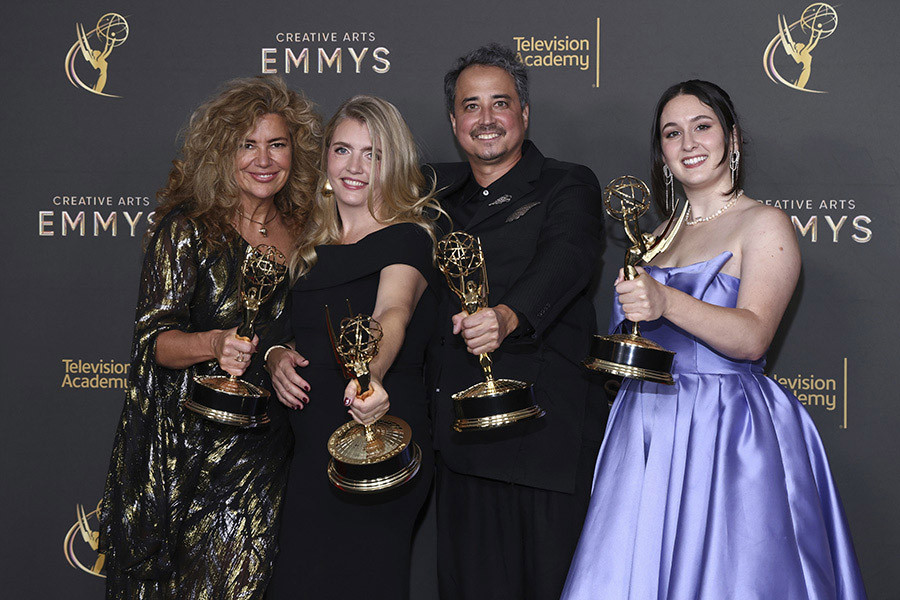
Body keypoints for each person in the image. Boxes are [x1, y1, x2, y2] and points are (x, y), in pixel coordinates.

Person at [562, 80, 866, 599]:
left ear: (733, 138)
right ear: (661, 154)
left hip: (726, 428)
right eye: (672, 134)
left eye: (702, 127)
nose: (688, 144)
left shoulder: (764, 224)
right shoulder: (653, 239)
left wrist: (667, 302)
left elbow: (752, 338)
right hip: (644, 428)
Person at [98, 75, 321, 599]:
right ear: (223, 151)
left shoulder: (310, 228)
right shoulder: (188, 227)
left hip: (264, 458)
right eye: (247, 145)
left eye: (276, 144)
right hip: (185, 459)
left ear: (296, 151)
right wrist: (215, 343)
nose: (263, 159)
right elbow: (155, 340)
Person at [427, 44, 606, 599]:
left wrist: (508, 316)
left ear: (524, 115)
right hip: (462, 444)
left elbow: (568, 257)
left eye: (499, 104)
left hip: (544, 438)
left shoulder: (568, 183)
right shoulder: (430, 194)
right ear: (454, 120)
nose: (485, 119)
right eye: (470, 106)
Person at [264, 95, 442, 599]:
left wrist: (372, 377)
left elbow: (393, 312)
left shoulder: (409, 238)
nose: (355, 167)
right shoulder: (306, 248)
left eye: (374, 154)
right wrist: (277, 355)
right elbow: (291, 330)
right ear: (325, 161)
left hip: (377, 439)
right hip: (310, 447)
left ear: (395, 163)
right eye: (343, 150)